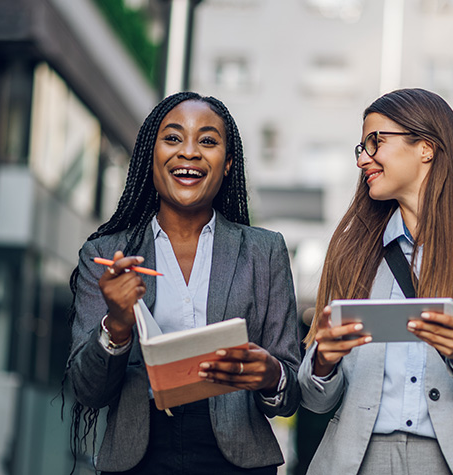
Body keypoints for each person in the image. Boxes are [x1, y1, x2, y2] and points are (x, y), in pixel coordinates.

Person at [298, 88, 453, 475]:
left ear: (426, 147)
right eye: (360, 148)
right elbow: (314, 400)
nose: (363, 158)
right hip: (358, 461)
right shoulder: (352, 251)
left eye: (375, 142)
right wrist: (323, 363)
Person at [66, 91, 300, 474]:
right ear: (150, 156)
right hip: (139, 458)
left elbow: (289, 395)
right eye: (173, 138)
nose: (189, 152)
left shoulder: (265, 252)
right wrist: (118, 324)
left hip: (237, 459)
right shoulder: (105, 256)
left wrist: (271, 375)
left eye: (207, 141)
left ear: (227, 164)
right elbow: (89, 391)